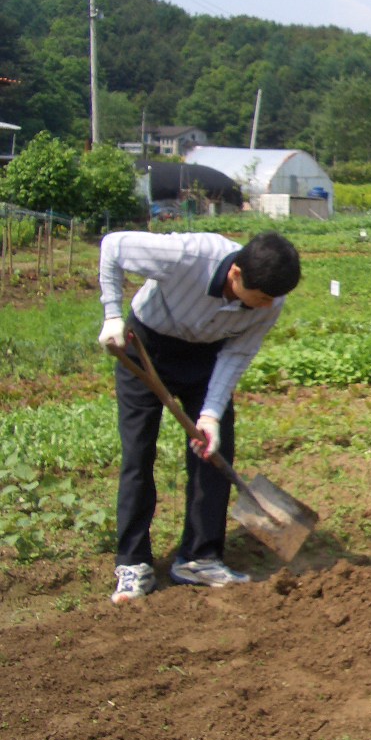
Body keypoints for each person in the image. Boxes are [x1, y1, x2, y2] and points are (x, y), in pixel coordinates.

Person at [98, 230, 302, 605]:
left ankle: (199, 557)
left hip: (208, 357)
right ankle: (133, 563)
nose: (266, 306)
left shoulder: (270, 300)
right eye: (260, 298)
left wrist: (210, 415)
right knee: (138, 454)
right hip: (146, 347)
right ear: (236, 274)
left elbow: (237, 354)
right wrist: (112, 315)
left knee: (213, 452)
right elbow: (113, 246)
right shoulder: (188, 255)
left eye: (271, 300)